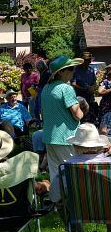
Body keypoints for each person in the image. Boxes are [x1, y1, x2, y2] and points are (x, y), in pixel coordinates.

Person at [41, 55, 84, 203]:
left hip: (49, 136)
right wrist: (82, 111)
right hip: (66, 137)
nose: (73, 71)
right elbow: (77, 114)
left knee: (55, 172)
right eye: (70, 69)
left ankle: (58, 202)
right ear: (60, 72)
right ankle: (73, 202)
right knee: (70, 172)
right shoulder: (67, 88)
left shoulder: (46, 88)